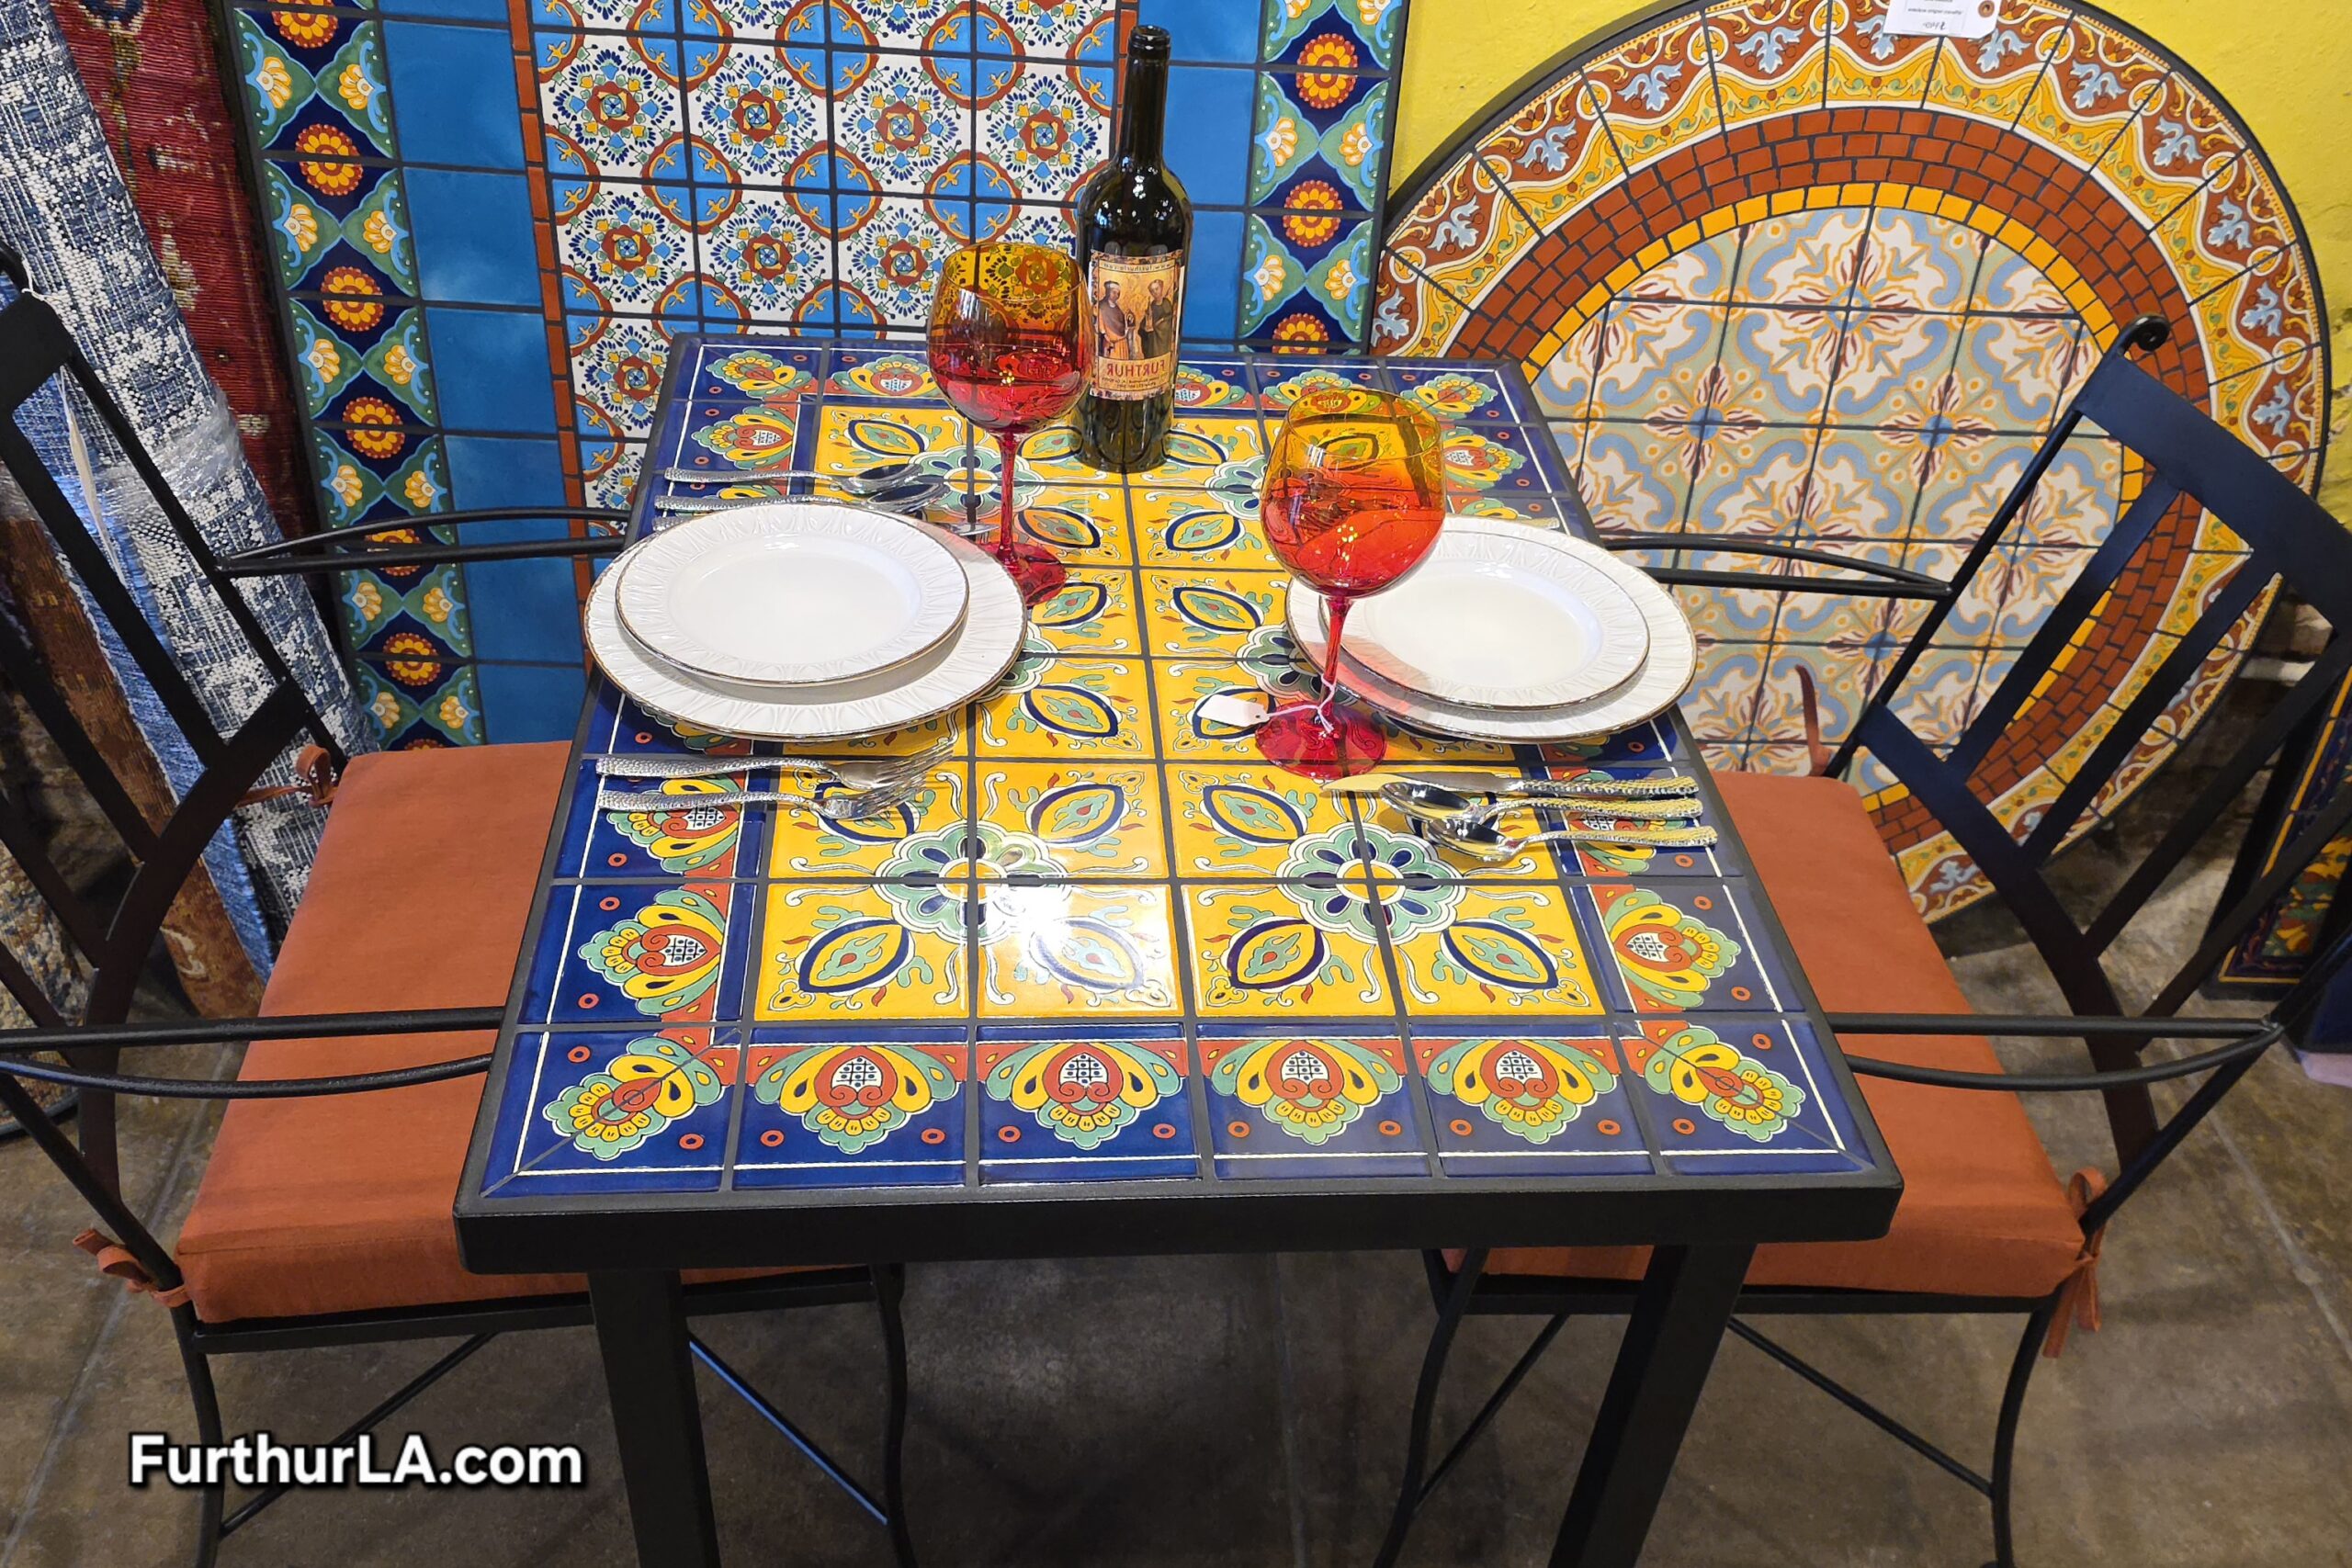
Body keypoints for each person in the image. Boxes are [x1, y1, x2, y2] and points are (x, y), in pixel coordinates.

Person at [1138, 276, 1178, 359]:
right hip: (1152, 342)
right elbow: (1146, 321)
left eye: (1157, 289)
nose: (1155, 292)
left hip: (1162, 341)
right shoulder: (1152, 305)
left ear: (1161, 288)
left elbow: (1169, 319)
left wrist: (1159, 323)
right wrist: (1144, 328)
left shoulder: (1166, 303)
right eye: (1152, 291)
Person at [1094, 278, 1130, 362]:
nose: (1116, 295)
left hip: (1121, 342)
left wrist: (1129, 320)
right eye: (1114, 292)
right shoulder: (1102, 306)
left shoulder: (1118, 308)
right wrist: (1106, 337)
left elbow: (1123, 322)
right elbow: (1100, 324)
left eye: (1118, 294)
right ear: (1108, 292)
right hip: (1110, 343)